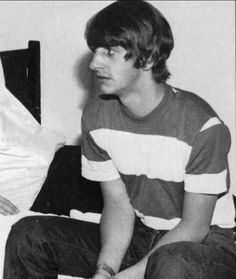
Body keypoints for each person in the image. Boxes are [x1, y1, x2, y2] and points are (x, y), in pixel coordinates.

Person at [3, 1, 236, 279]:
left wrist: (127, 277)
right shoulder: (97, 116)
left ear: (148, 59)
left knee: (172, 263)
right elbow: (118, 206)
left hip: (207, 246)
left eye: (109, 52)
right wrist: (104, 271)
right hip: (143, 234)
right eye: (95, 50)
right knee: (30, 235)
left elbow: (195, 227)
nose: (93, 63)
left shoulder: (202, 125)